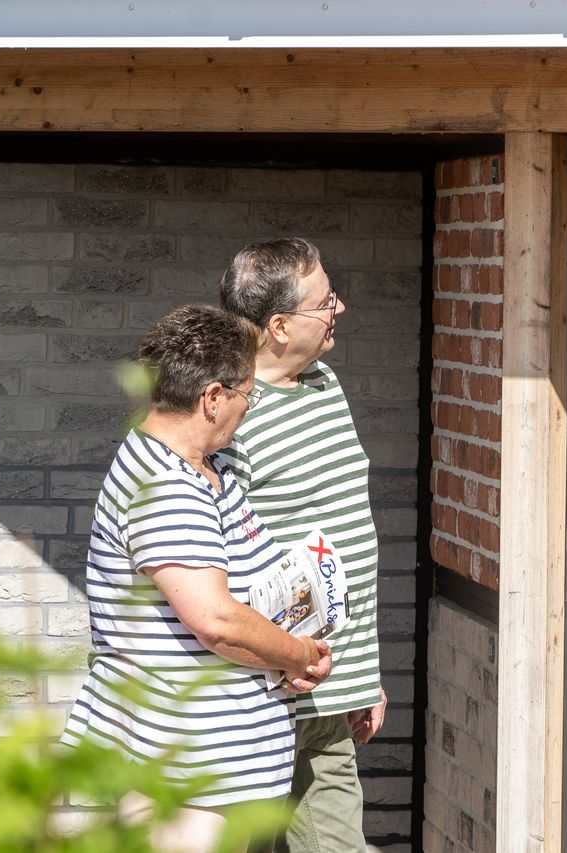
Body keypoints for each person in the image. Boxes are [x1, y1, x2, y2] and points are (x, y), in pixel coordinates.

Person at [59, 304, 334, 853]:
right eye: (246, 395)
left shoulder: (210, 468)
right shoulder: (166, 486)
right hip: (185, 771)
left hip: (217, 765)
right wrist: (297, 654)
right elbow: (216, 621)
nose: (248, 408)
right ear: (213, 397)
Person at [218, 238, 388, 853]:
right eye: (326, 301)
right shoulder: (230, 411)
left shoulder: (323, 383)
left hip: (330, 681)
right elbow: (225, 557)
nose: (338, 308)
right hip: (271, 681)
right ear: (280, 325)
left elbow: (349, 537)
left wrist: (365, 678)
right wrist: (278, 658)